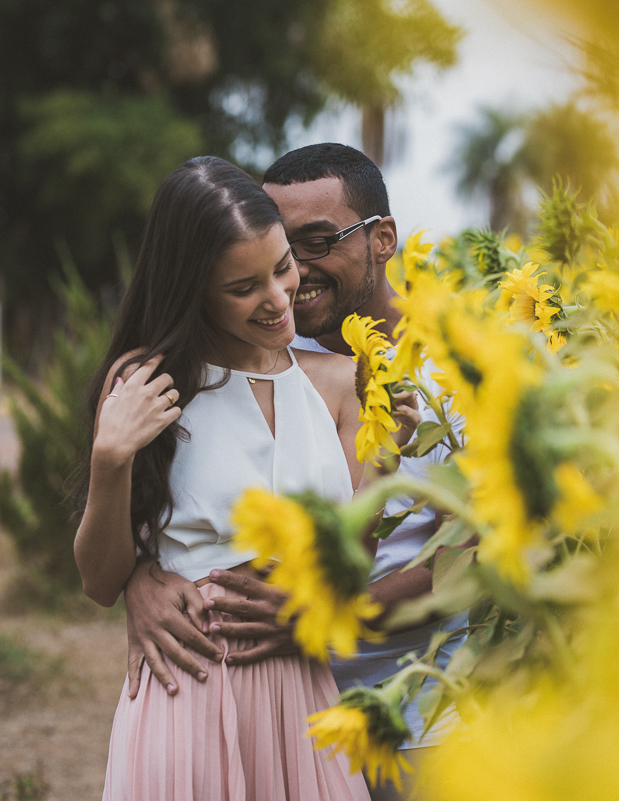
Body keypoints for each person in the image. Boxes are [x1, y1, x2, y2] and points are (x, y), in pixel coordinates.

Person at [120, 144, 467, 800]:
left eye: (316, 243)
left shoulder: (463, 364)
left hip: (417, 712)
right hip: (286, 707)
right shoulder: (269, 351)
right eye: (282, 248)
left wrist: (327, 612)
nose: (294, 276)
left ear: (382, 238)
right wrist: (145, 575)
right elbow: (196, 499)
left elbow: (476, 552)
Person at [76, 156, 373, 800]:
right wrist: (110, 461)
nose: (277, 297)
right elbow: (99, 580)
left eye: (282, 266)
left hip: (305, 694)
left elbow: (358, 557)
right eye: (244, 287)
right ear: (194, 289)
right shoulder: (149, 381)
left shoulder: (339, 383)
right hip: (193, 687)